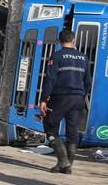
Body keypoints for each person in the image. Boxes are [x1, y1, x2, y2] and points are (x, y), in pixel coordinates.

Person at [39, 29, 92, 174]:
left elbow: (50, 79)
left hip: (60, 97)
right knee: (72, 130)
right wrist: (82, 95)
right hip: (78, 99)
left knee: (50, 125)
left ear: (58, 41)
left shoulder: (56, 56)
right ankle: (68, 166)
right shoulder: (83, 57)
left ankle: (63, 161)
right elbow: (88, 81)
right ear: (73, 39)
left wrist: (44, 99)